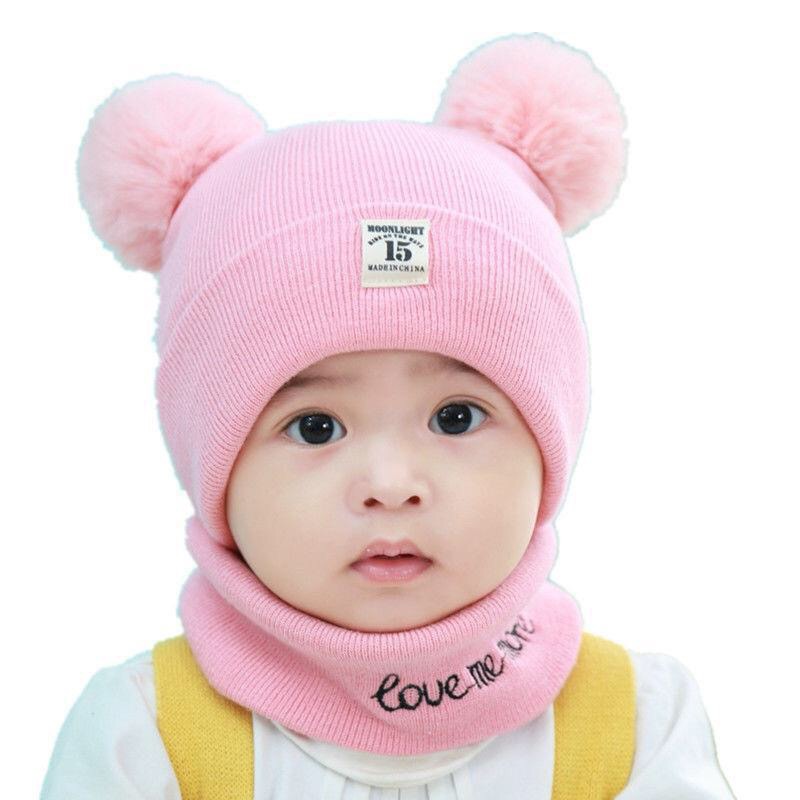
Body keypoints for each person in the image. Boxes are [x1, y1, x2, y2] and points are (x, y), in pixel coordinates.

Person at [41, 31, 736, 799]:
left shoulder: (636, 727)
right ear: (212, 465)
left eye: (457, 417)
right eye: (315, 427)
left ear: (551, 446)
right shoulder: (146, 737)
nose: (391, 484)